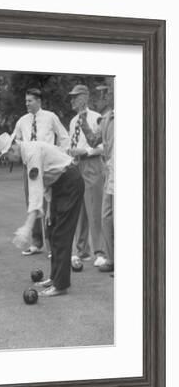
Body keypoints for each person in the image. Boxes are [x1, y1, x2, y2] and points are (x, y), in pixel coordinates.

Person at [0, 133, 85, 297]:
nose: (8, 160)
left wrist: (27, 227)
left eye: (7, 156)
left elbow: (35, 192)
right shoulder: (29, 153)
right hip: (59, 185)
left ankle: (60, 285)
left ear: (13, 147)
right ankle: (54, 277)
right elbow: (46, 182)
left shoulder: (31, 153)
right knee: (52, 230)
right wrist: (49, 209)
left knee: (61, 234)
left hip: (70, 183)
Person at [12, 88, 70, 256]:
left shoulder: (51, 117)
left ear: (38, 101)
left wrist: (61, 154)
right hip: (30, 166)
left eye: (30, 100)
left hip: (49, 167)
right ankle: (36, 243)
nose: (27, 104)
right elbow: (14, 141)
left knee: (50, 204)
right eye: (25, 101)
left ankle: (52, 245)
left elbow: (64, 137)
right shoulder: (22, 121)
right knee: (32, 201)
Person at [68, 85, 106, 268]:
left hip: (92, 164)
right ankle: (82, 251)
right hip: (76, 166)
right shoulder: (73, 120)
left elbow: (103, 146)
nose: (72, 101)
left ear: (85, 97)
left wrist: (85, 151)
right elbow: (71, 142)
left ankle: (100, 251)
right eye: (72, 97)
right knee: (79, 210)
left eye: (75, 97)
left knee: (94, 209)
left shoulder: (96, 117)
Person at [83, 85, 114, 273]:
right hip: (111, 175)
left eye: (102, 95)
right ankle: (111, 259)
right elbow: (94, 141)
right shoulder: (105, 120)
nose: (98, 100)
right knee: (106, 218)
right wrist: (84, 124)